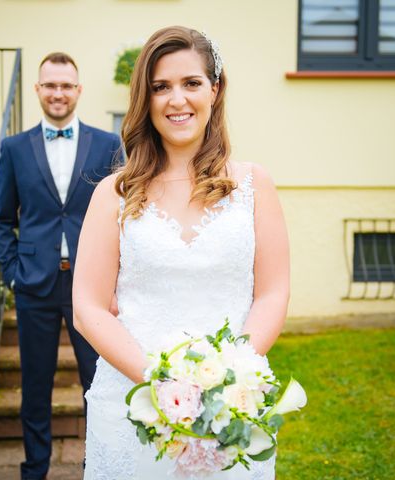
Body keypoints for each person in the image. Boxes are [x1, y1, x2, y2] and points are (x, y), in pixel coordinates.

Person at [72, 26, 290, 479]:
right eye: (160, 87)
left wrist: (227, 385)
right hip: (131, 409)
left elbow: (272, 293)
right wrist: (164, 387)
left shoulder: (254, 185)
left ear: (215, 88)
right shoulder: (114, 193)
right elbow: (88, 308)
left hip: (232, 411)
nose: (177, 100)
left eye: (191, 83)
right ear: (144, 99)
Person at [0, 52, 122, 480]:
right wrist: (12, 272)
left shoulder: (108, 145)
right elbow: (0, 219)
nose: (58, 93)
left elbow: (125, 214)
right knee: (36, 388)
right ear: (38, 90)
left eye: (66, 85)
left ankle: (95, 465)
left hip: (93, 286)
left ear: (78, 90)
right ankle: (35, 470)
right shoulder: (13, 148)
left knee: (97, 384)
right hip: (34, 284)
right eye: (50, 85)